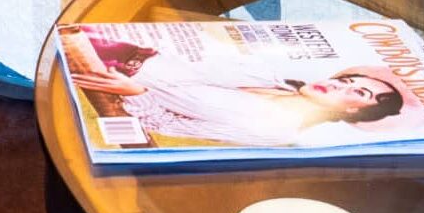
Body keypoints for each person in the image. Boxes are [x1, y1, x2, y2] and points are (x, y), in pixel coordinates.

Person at [67, 51, 406, 148]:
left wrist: (137, 94)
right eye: (344, 79)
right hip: (124, 56)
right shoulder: (275, 77)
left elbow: (169, 125)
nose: (336, 86)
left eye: (355, 92)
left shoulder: (277, 132)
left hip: (111, 89)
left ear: (352, 110)